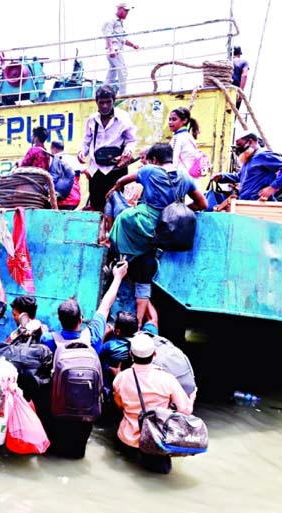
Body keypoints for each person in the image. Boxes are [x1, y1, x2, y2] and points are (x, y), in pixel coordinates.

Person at [108, 143, 207, 326]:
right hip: (165, 231)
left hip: (142, 224)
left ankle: (119, 258)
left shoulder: (150, 170)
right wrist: (177, 211)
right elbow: (203, 204)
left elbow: (122, 181)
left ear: (154, 159)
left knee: (120, 216)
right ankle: (137, 324)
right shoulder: (185, 176)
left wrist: (113, 190)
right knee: (145, 274)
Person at [41, 260, 128, 459]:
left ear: (59, 320)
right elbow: (106, 306)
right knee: (77, 453)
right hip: (85, 410)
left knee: (53, 451)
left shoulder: (49, 340)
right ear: (81, 319)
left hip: (56, 407)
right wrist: (118, 278)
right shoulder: (94, 337)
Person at [113, 332, 195, 474]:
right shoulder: (167, 379)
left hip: (127, 442)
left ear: (131, 354)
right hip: (155, 444)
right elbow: (185, 411)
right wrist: (192, 397)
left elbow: (119, 406)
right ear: (155, 354)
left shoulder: (120, 378)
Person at [77, 85, 138, 221]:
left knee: (116, 204)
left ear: (113, 100)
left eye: (108, 102)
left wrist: (127, 152)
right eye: (101, 102)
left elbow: (132, 140)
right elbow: (86, 139)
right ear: (96, 102)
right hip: (96, 169)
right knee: (96, 205)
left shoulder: (123, 118)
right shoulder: (92, 119)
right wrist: (82, 152)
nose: (105, 106)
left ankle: (113, 236)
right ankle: (99, 236)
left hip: (115, 169)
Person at [211, 132, 282, 201]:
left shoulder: (262, 155)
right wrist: (222, 177)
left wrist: (272, 187)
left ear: (250, 142)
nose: (238, 149)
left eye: (239, 145)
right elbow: (240, 176)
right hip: (247, 202)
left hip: (259, 204)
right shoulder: (249, 159)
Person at [102, 2, 139, 96]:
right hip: (114, 50)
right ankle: (123, 95)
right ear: (120, 9)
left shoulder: (119, 23)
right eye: (125, 10)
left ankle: (104, 92)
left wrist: (133, 45)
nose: (127, 13)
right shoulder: (110, 20)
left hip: (115, 50)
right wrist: (111, 49)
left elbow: (122, 39)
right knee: (123, 71)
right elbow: (108, 35)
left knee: (112, 73)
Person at [168, 107, 202, 176]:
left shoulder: (177, 138)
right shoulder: (188, 136)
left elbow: (173, 160)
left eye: (174, 119)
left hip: (181, 177)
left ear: (184, 120)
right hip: (192, 177)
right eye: (170, 119)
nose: (170, 122)